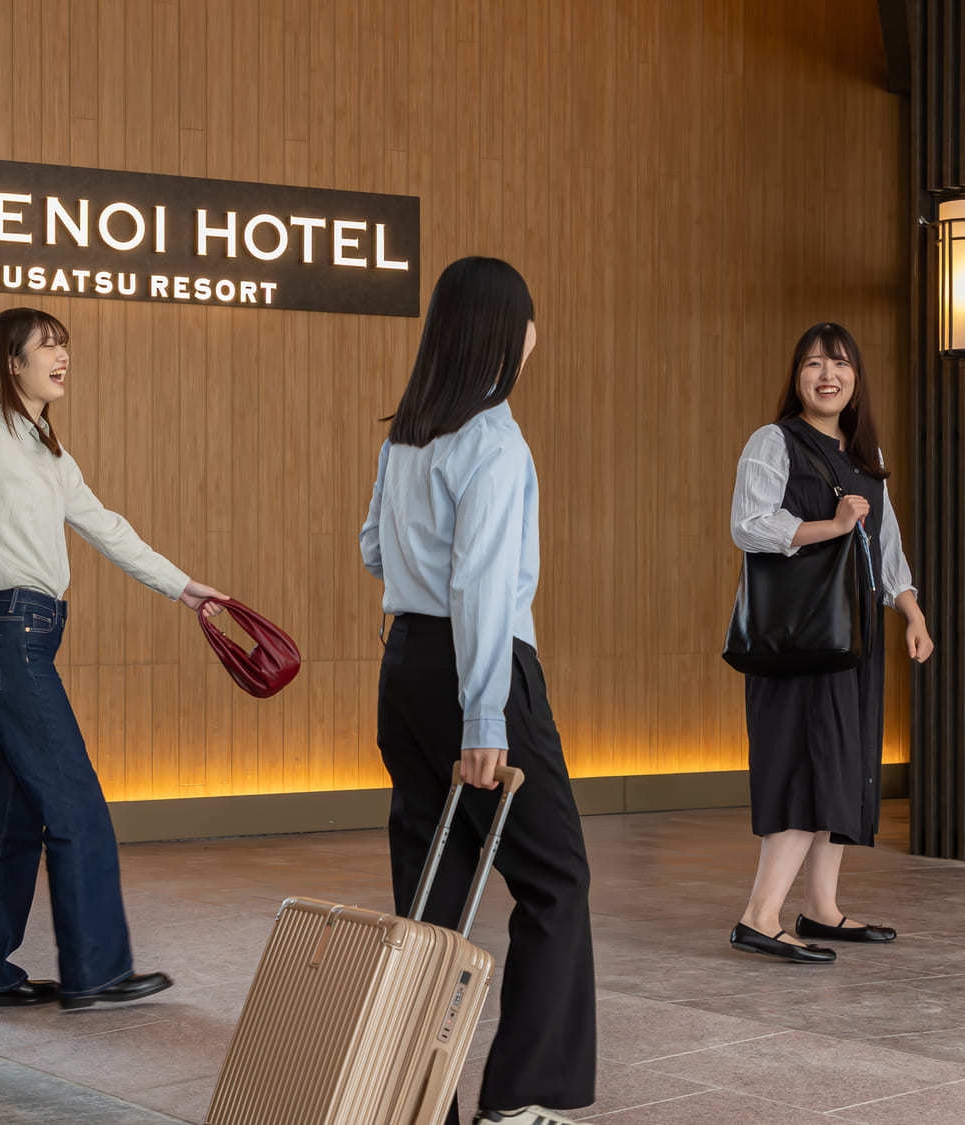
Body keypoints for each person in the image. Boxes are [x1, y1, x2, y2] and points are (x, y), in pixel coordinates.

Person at [0, 306, 227, 1011]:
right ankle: (97, 971)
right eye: (46, 348)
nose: (62, 357)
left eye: (64, 346)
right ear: (11, 363)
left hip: (18, 641)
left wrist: (184, 589)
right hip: (10, 639)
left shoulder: (48, 453)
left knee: (13, 818)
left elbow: (108, 528)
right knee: (76, 802)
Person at [360, 257, 596, 1125]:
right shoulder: (494, 439)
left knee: (431, 898)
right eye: (530, 320)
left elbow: (373, 551)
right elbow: (484, 587)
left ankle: (420, 1105)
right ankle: (524, 1098)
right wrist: (488, 713)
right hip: (477, 668)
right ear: (505, 332)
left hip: (405, 666)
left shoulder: (406, 434)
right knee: (556, 880)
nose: (537, 336)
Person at [727, 322, 935, 964]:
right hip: (796, 644)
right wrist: (832, 523)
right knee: (801, 766)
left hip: (853, 641)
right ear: (797, 377)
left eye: (840, 365)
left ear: (855, 379)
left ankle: (820, 910)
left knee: (842, 766)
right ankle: (758, 917)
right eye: (814, 364)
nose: (827, 375)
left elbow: (886, 548)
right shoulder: (774, 441)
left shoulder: (864, 458)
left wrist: (911, 612)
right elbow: (749, 526)